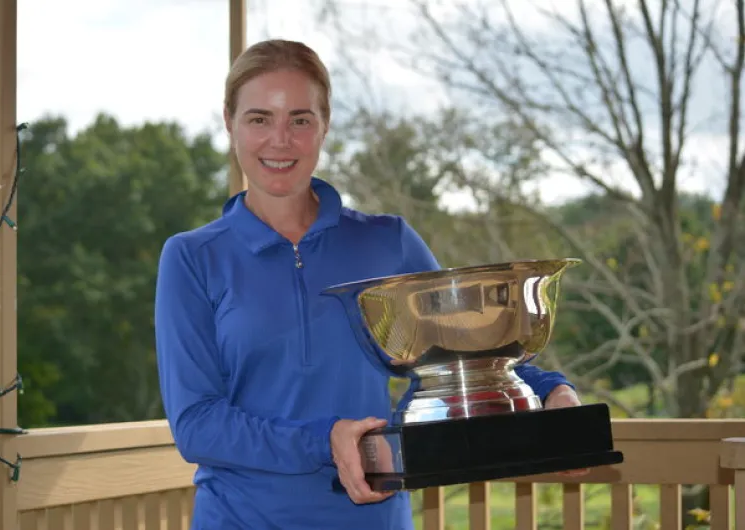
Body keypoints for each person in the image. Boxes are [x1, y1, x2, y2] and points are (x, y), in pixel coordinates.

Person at [154, 38, 583, 530]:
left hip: (372, 519)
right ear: (229, 122)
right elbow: (196, 426)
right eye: (258, 119)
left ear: (324, 125)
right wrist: (326, 440)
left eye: (300, 119)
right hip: (239, 519)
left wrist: (552, 392)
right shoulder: (191, 257)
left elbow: (463, 355)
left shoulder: (388, 242)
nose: (280, 140)